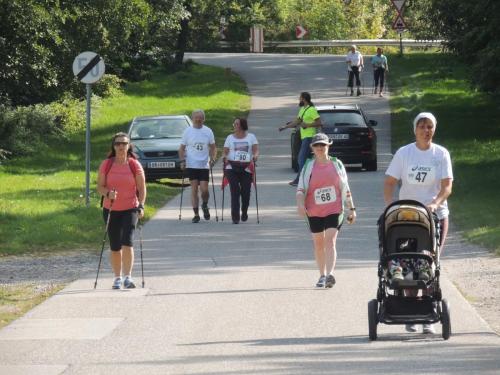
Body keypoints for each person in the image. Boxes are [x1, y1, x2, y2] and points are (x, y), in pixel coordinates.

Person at [384, 112, 453, 334]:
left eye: (429, 126)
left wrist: (435, 202)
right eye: (422, 126)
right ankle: (410, 312)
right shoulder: (405, 153)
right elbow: (390, 182)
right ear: (415, 129)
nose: (426, 130)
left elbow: (447, 186)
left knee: (430, 261)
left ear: (434, 129)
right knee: (406, 261)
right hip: (407, 216)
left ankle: (428, 314)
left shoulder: (441, 154)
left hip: (435, 216)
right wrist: (391, 205)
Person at [296, 133, 357, 288]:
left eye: (323, 145)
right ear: (312, 148)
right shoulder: (308, 165)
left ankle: (330, 275)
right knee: (318, 243)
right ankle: (322, 275)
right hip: (314, 210)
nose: (320, 148)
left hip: (334, 208)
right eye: (317, 145)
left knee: (330, 240)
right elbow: (300, 189)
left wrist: (352, 208)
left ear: (328, 146)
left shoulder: (337, 164)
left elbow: (345, 187)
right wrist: (300, 204)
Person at [97, 132, 146, 289]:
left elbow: (142, 188)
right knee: (115, 245)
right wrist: (108, 193)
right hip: (111, 208)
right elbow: (100, 187)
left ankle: (128, 277)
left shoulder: (134, 164)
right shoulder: (107, 164)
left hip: (131, 208)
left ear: (128, 146)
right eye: (117, 144)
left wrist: (141, 205)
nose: (120, 147)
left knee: (127, 241)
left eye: (124, 144)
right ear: (113, 146)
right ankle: (117, 278)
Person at [179, 109, 217, 223]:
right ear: (193, 119)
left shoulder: (208, 131)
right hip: (191, 164)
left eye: (200, 117)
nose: (198, 119)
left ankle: (204, 205)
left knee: (204, 190)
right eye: (196, 117)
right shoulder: (187, 131)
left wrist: (213, 158)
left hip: (204, 164)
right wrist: (182, 161)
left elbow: (213, 147)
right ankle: (196, 214)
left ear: (203, 119)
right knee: (194, 189)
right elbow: (181, 148)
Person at [278, 92, 322, 186]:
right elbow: (297, 121)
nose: (299, 100)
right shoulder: (302, 109)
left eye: (300, 98)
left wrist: (308, 125)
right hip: (304, 137)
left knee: (301, 159)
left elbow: (319, 122)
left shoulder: (311, 110)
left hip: (309, 137)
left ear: (304, 99)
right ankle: (309, 179)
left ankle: (299, 179)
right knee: (307, 160)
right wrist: (285, 127)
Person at [222, 118, 259, 224]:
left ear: (242, 125)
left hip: (246, 167)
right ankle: (235, 216)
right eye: (234, 124)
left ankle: (244, 211)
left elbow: (256, 150)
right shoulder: (229, 138)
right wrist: (224, 157)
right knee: (235, 191)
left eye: (237, 124)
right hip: (231, 167)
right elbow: (225, 151)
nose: (235, 125)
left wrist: (255, 156)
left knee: (246, 192)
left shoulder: (251, 137)